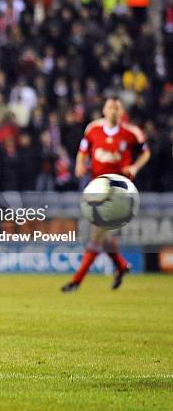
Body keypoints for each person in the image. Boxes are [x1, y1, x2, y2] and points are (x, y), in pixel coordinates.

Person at [61, 97, 150, 292]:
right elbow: (83, 150)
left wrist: (134, 167)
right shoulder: (93, 129)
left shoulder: (130, 133)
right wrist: (79, 164)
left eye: (117, 108)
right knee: (104, 235)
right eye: (110, 107)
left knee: (96, 234)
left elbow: (146, 152)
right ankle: (121, 266)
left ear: (121, 112)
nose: (113, 111)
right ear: (104, 110)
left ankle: (76, 281)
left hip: (119, 189)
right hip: (98, 187)